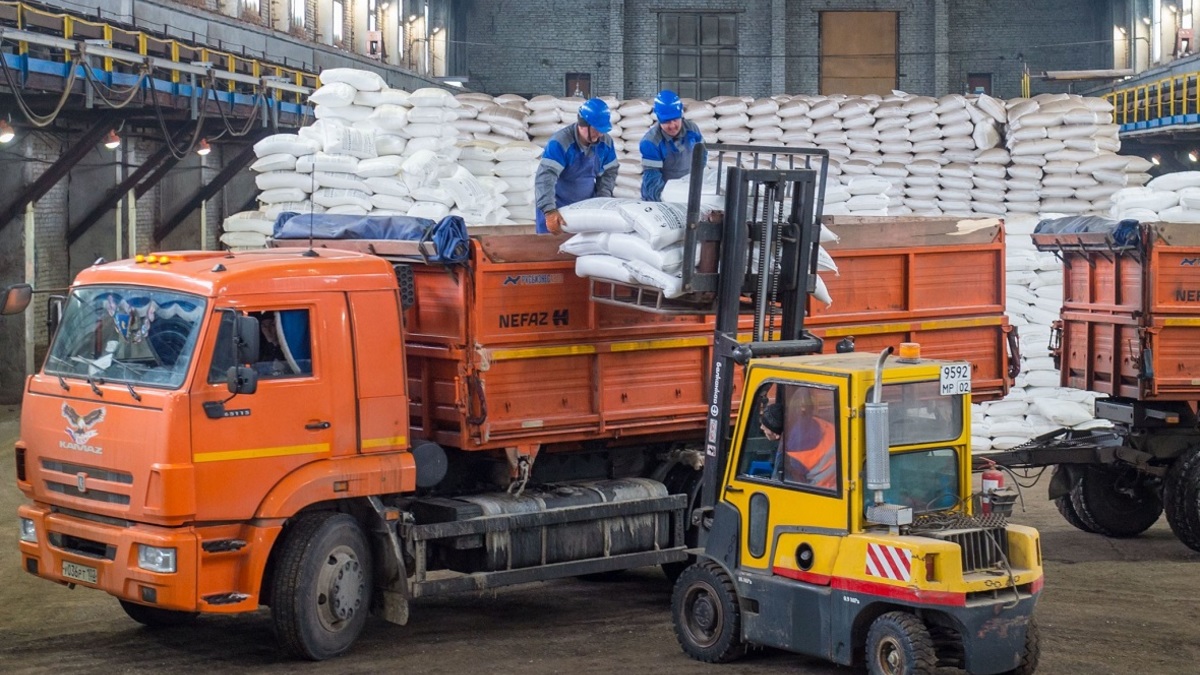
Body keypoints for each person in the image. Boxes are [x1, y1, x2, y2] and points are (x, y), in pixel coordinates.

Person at [534, 97, 619, 234]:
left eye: (603, 129)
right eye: (597, 129)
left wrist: (602, 199)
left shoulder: (605, 143)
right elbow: (545, 176)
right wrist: (549, 210)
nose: (600, 134)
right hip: (558, 209)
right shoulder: (561, 142)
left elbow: (610, 171)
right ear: (583, 124)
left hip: (585, 209)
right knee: (551, 252)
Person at [639, 90, 706, 202]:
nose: (672, 126)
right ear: (659, 119)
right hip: (660, 195)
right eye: (666, 122)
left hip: (685, 191)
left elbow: (702, 157)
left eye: (675, 119)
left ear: (681, 115)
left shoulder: (692, 130)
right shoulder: (651, 142)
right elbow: (653, 179)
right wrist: (665, 201)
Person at [761, 392, 837, 489]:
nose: (761, 427)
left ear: (776, 435)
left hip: (823, 488)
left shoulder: (790, 457)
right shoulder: (811, 421)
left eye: (765, 427)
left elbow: (787, 489)